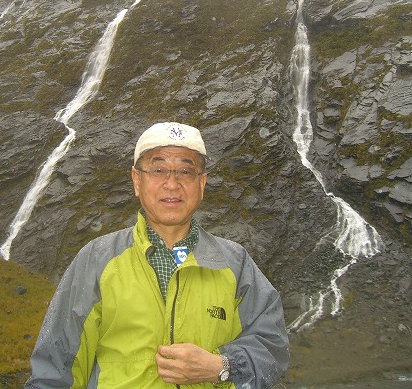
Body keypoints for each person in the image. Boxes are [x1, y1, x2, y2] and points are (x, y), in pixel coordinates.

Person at [25, 122, 289, 388]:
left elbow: (273, 347)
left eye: (185, 171)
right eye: (158, 170)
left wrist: (222, 366)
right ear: (136, 180)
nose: (172, 184)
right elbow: (54, 371)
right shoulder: (96, 260)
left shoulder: (235, 264)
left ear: (202, 183)